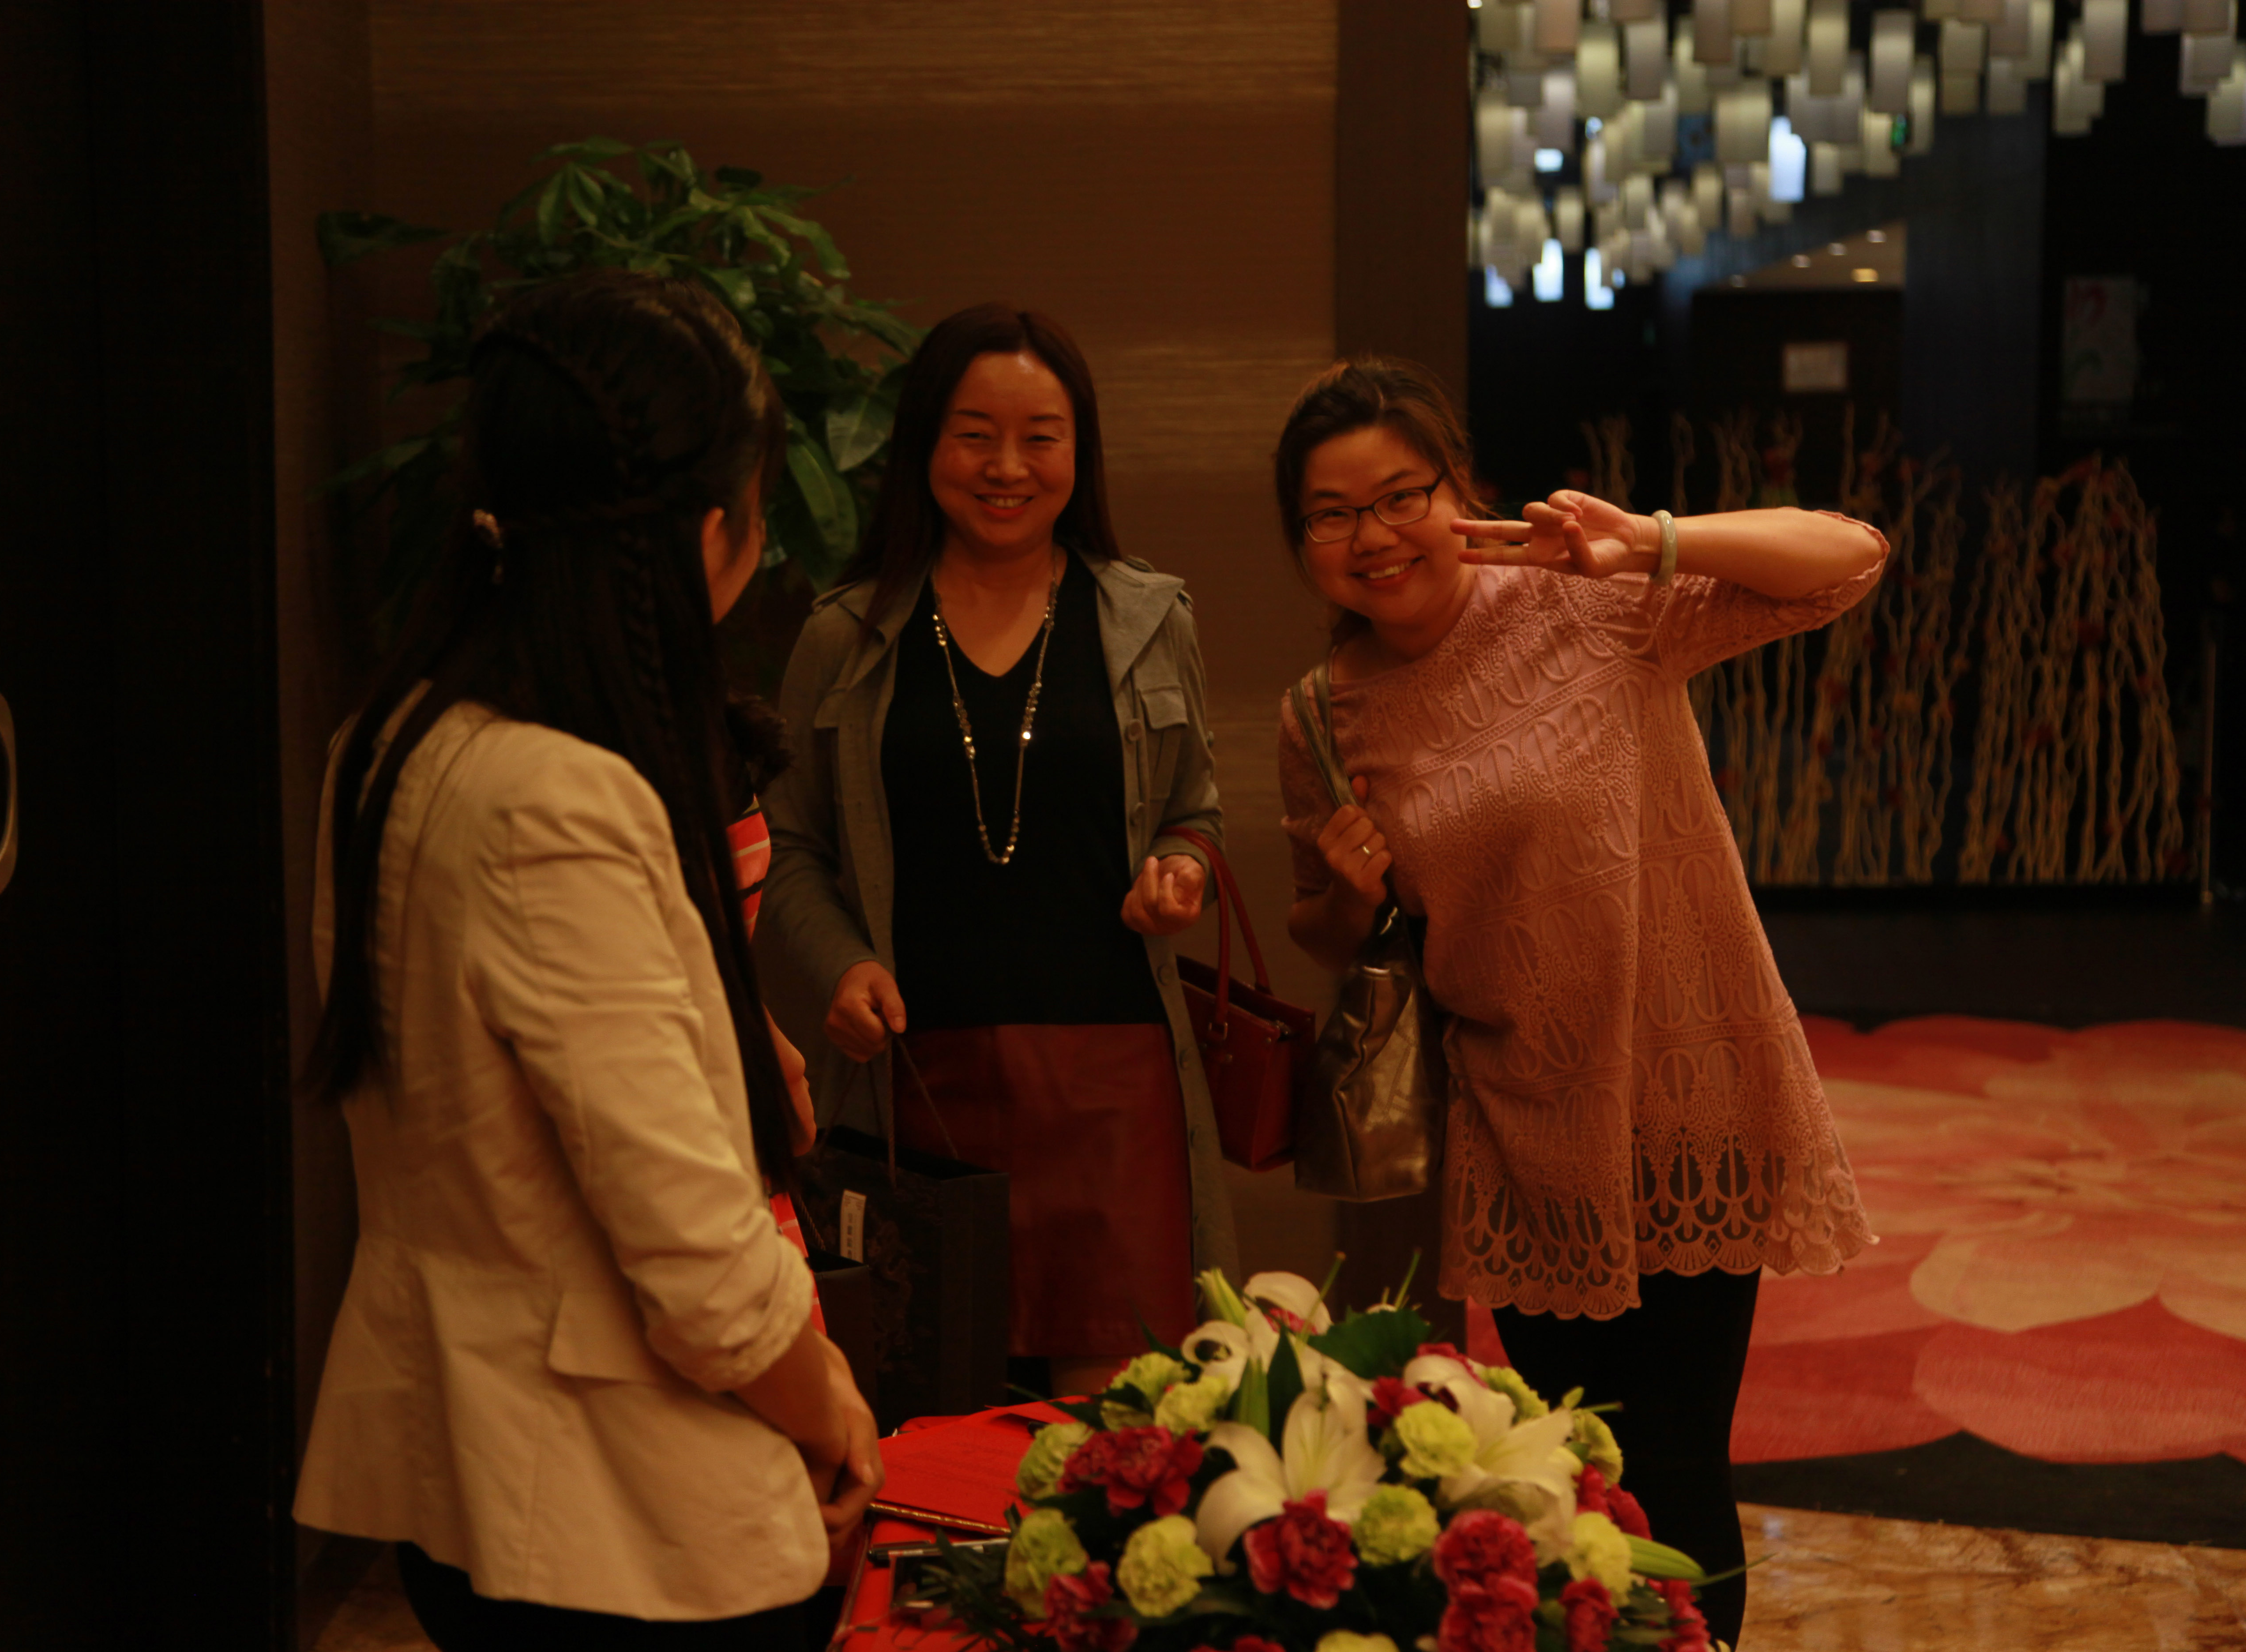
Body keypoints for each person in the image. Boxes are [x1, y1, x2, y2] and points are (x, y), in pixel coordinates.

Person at [294, 271, 881, 1651]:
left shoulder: (392, 740)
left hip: (460, 1462)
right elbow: (700, 1271)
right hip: (618, 1512)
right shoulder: (558, 799)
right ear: (709, 534)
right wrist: (831, 1406)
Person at [1273, 357, 1880, 1646]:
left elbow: (1848, 559)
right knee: (1587, 1483)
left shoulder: (1588, 602)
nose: (1373, 536)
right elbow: (1323, 928)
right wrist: (1344, 894)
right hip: (1530, 1127)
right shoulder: (1322, 714)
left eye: (1400, 496)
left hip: (1691, 1092)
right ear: (1301, 542)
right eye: (1333, 514)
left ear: (1460, 491)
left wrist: (1649, 541)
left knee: (1682, 1465)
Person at [759, 303, 1237, 1396]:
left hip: (1114, 1086)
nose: (1008, 467)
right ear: (924, 445)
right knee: (931, 1415)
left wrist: (1184, 869)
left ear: (1080, 451)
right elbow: (788, 842)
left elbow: (1196, 812)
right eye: (975, 435)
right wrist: (840, 966)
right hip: (918, 1083)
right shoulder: (846, 634)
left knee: (1118, 1436)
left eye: (1041, 437)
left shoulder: (1147, 618)